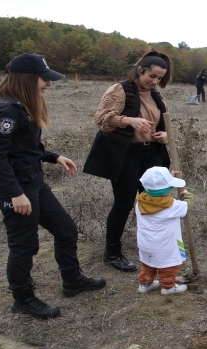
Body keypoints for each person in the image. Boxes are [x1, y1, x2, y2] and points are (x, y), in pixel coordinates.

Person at [0, 53, 106, 319]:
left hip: (34, 182)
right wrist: (16, 194)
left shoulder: (22, 107)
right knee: (24, 246)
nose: (48, 84)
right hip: (16, 189)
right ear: (27, 79)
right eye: (44, 79)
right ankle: (23, 299)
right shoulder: (5, 111)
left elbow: (26, 148)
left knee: (66, 229)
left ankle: (72, 280)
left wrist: (54, 157)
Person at [87, 50, 173, 272]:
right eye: (152, 76)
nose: (155, 81)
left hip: (152, 153)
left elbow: (165, 124)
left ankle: (154, 244)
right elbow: (102, 118)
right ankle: (112, 252)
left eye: (159, 78)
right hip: (127, 154)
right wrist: (129, 120)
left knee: (155, 199)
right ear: (140, 69)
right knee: (124, 202)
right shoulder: (120, 90)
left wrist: (164, 135)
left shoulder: (156, 96)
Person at [135, 167, 194, 295]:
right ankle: (168, 287)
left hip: (146, 244)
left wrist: (167, 178)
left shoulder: (140, 201)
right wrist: (188, 196)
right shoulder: (172, 206)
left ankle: (144, 285)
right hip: (165, 246)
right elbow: (186, 206)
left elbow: (157, 191)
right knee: (169, 266)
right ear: (168, 189)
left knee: (149, 264)